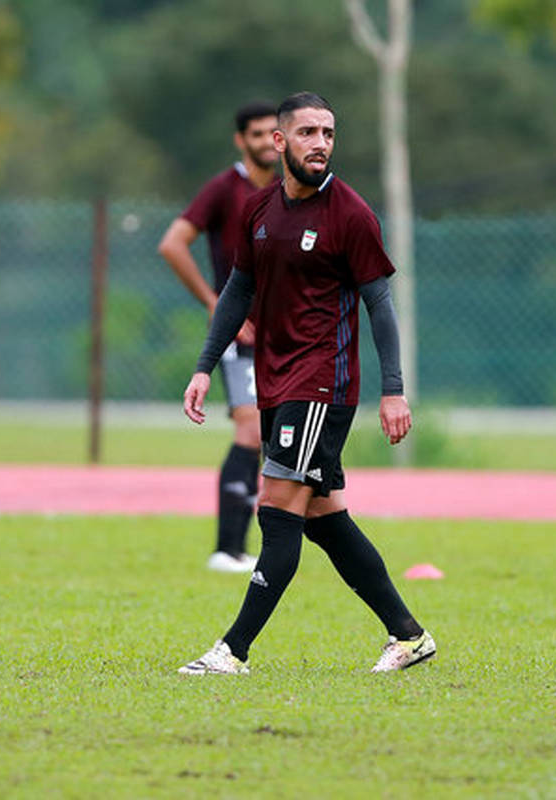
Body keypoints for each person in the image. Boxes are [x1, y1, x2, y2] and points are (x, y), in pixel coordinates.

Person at [177, 91, 435, 674]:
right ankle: (409, 636)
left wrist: (393, 389)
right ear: (280, 141)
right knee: (324, 518)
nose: (320, 143)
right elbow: (237, 292)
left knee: (276, 508)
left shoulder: (350, 213)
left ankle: (232, 650)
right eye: (308, 132)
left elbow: (380, 305)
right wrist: (204, 366)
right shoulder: (259, 210)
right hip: (276, 381)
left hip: (321, 384)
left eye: (328, 133)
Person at [157, 101, 279, 573]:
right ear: (240, 140)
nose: (266, 141)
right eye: (256, 133)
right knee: (250, 427)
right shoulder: (225, 189)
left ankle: (255, 548)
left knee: (274, 436)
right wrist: (215, 304)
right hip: (239, 334)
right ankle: (227, 550)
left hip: (286, 334)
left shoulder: (291, 190)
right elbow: (172, 243)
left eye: (273, 132)